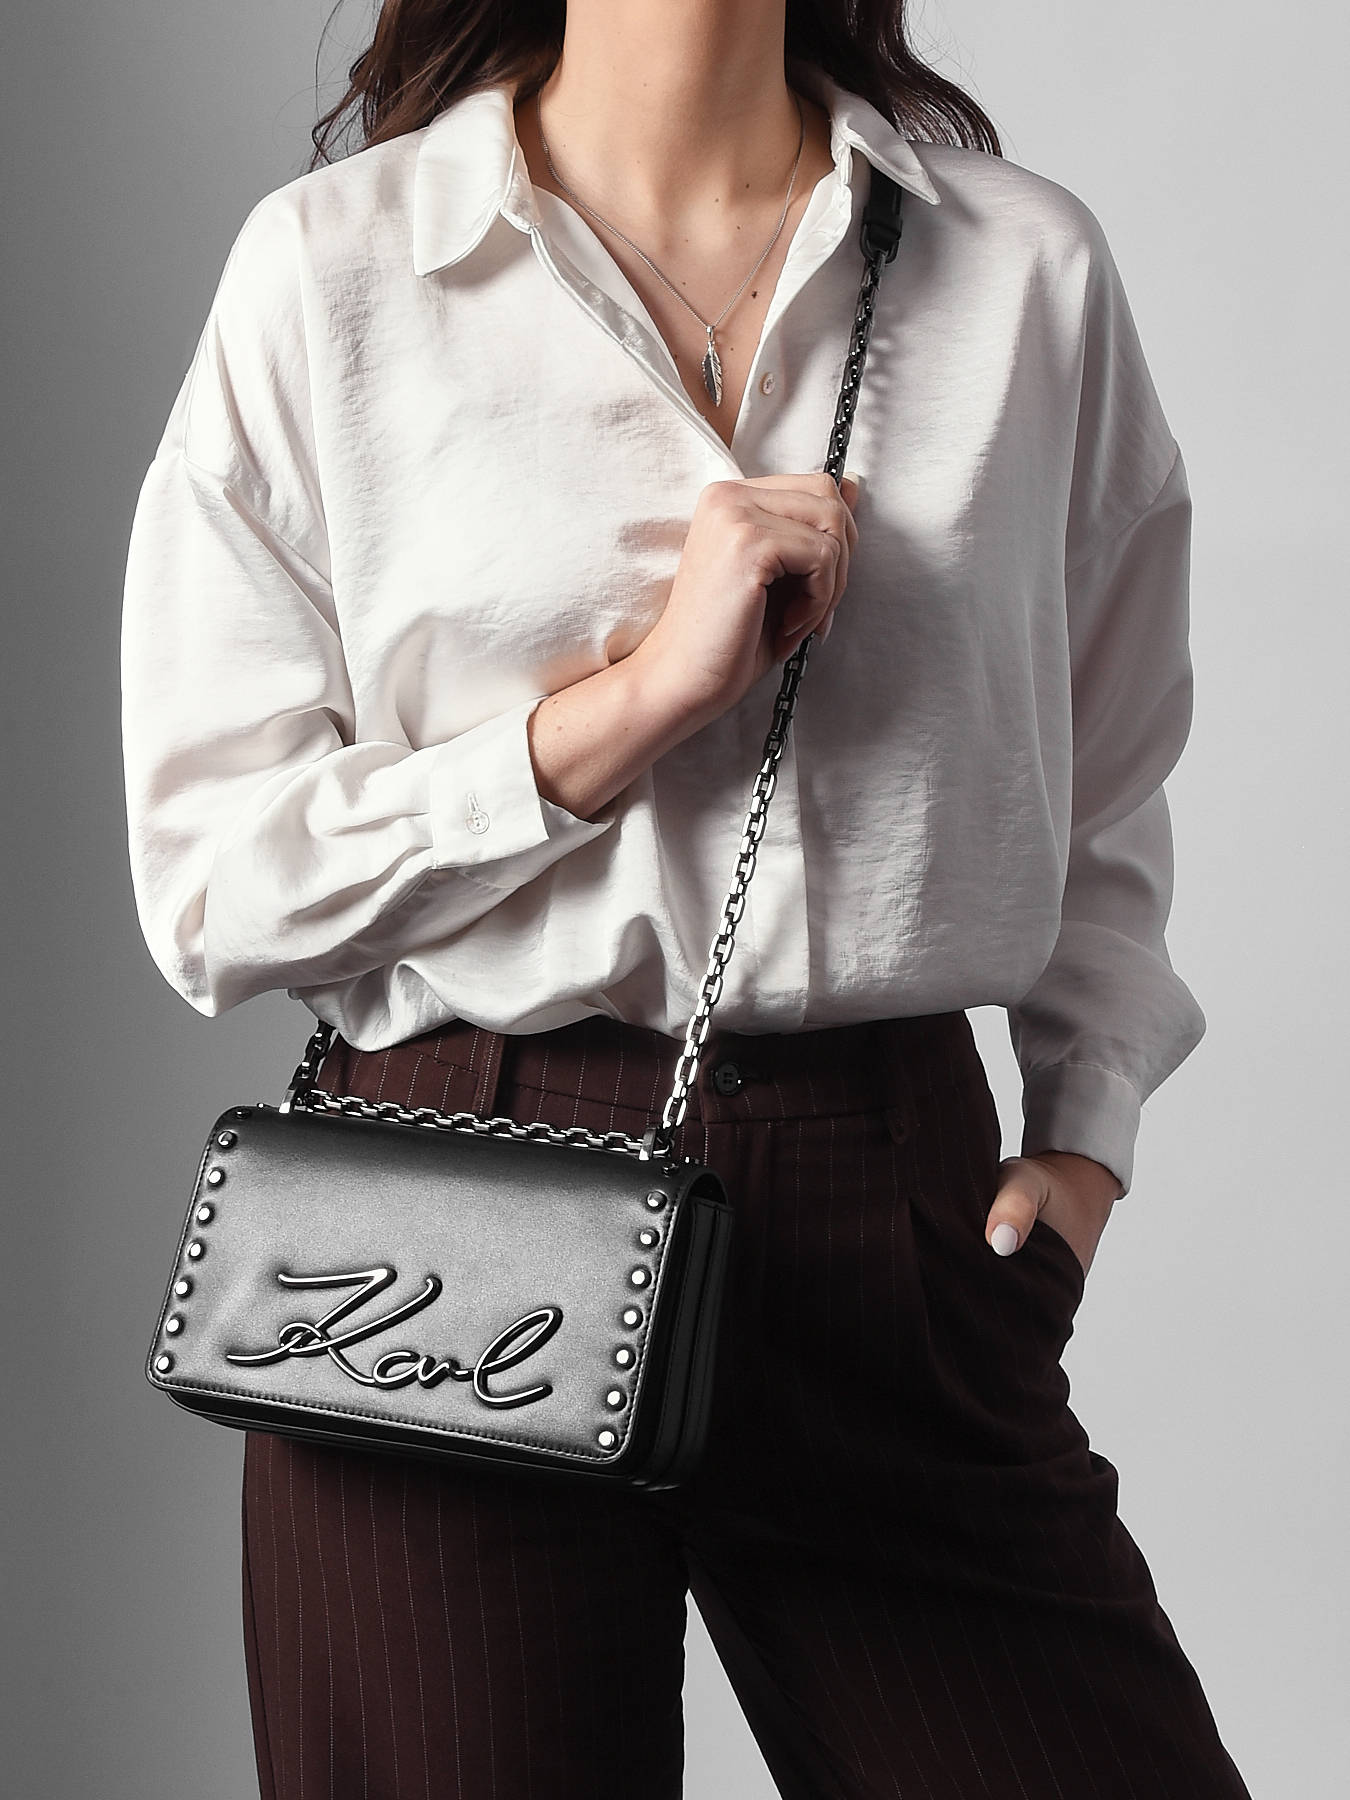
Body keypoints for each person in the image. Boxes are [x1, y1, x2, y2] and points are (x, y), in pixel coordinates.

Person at [119, 3, 1254, 1796]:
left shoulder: (1017, 268)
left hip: (889, 1199)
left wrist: (1086, 1137)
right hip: (453, 1210)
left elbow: (1106, 758)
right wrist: (632, 708)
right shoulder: (338, 269)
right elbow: (212, 885)